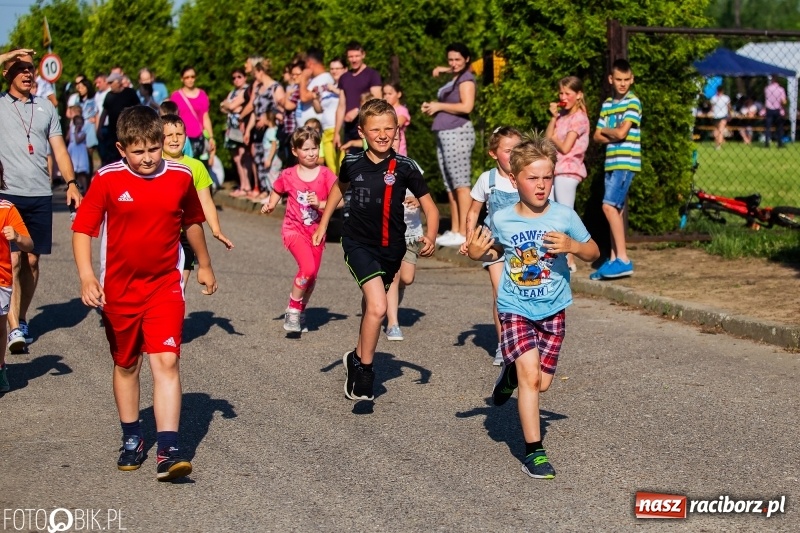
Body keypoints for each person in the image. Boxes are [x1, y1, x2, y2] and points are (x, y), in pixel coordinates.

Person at [72, 105, 218, 482]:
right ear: (122, 149)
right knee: (126, 364)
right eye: (138, 152)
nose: (148, 158)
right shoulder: (106, 179)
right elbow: (82, 229)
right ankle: (133, 436)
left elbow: (192, 221)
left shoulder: (181, 176)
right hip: (118, 292)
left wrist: (203, 263)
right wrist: (88, 276)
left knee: (166, 362)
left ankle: (169, 450)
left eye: (153, 148)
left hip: (164, 286)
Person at [466, 133, 600, 479]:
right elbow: (495, 251)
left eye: (547, 178)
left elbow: (593, 252)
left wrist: (572, 245)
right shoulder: (503, 218)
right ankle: (534, 452)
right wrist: (482, 254)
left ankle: (508, 374)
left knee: (541, 384)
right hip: (514, 306)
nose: (541, 186)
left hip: (553, 309)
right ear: (514, 179)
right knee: (530, 376)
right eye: (532, 178)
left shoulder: (565, 216)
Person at [312, 99, 439, 401]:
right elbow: (338, 190)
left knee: (373, 307)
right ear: (362, 131)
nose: (382, 135)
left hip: (392, 249)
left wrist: (431, 235)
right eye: (375, 129)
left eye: (388, 129)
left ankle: (355, 357)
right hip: (357, 243)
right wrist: (323, 224)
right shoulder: (352, 163)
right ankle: (365, 370)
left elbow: (431, 208)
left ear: (397, 130)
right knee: (379, 307)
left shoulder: (406, 168)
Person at [0, 50, 83, 354]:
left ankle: (20, 318)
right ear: (7, 73)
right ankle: (11, 328)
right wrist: (8, 55)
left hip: (39, 194)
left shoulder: (47, 109)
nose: (27, 73)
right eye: (19, 68)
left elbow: (60, 150)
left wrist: (72, 183)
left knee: (32, 262)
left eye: (31, 68)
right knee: (11, 259)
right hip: (6, 194)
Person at [261, 127, 339, 332]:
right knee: (307, 269)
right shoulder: (288, 174)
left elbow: (340, 200)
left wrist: (321, 204)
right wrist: (271, 204)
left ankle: (301, 311)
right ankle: (293, 311)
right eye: (306, 149)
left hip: (317, 232)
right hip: (293, 230)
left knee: (311, 278)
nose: (312, 153)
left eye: (315, 148)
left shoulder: (325, 174)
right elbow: (277, 189)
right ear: (295, 151)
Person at [459, 127, 522, 365]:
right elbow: (473, 212)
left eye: (518, 149)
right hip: (493, 244)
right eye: (508, 151)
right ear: (493, 154)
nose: (514, 155)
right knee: (501, 294)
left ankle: (523, 339)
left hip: (521, 245)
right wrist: (469, 239)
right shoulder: (488, 179)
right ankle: (504, 344)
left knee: (520, 292)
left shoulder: (525, 176)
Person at [161, 113, 234, 287]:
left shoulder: (196, 166)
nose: (174, 139)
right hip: (160, 235)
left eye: (179, 134)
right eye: (168, 135)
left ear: (186, 136)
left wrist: (216, 229)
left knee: (178, 288)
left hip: (186, 236)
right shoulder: (153, 164)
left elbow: (206, 201)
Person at [591, 59, 642, 280]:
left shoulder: (633, 102)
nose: (622, 84)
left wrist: (608, 131)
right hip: (611, 162)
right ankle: (613, 259)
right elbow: (596, 135)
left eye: (626, 80)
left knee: (608, 207)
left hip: (625, 163)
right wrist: (614, 131)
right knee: (616, 211)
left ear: (632, 79)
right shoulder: (608, 104)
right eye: (618, 80)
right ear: (611, 80)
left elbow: (621, 134)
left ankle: (623, 259)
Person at [422, 42, 476, 248]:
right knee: (450, 184)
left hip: (458, 133)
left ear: (467, 59)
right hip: (445, 133)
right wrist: (444, 69)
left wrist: (439, 105)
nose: (453, 63)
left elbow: (467, 105)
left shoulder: (467, 79)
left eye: (457, 60)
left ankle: (464, 231)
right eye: (450, 59)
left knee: (461, 184)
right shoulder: (456, 75)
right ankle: (455, 229)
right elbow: (453, 68)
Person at [545, 76, 590, 272]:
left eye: (567, 93)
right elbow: (547, 137)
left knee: (565, 214)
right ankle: (558, 256)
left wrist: (554, 136)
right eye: (561, 93)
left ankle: (570, 259)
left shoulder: (579, 118)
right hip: (557, 169)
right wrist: (554, 116)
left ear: (578, 95)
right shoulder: (563, 115)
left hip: (569, 170)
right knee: (554, 213)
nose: (563, 97)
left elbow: (565, 147)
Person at [0, 159, 33, 392]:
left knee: (0, 328)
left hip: (1, 279)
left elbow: (29, 244)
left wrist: (18, 238)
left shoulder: (7, 208)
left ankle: (1, 367)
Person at [334, 42, 382, 156]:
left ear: (363, 55)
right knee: (352, 165)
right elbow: (341, 106)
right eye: (350, 57)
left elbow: (378, 101)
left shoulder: (372, 75)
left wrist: (358, 110)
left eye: (357, 56)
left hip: (368, 125)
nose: (354, 60)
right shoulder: (344, 78)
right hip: (349, 129)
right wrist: (336, 133)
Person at [299, 49, 339, 171]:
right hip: (313, 130)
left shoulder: (324, 78)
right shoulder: (315, 80)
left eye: (306, 65)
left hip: (323, 129)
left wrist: (303, 79)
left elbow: (304, 97)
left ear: (310, 63)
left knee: (333, 165)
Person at [171, 66, 215, 161]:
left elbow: (205, 117)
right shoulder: (176, 97)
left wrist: (211, 137)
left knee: (203, 167)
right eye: (187, 77)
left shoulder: (202, 95)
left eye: (192, 76)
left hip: (200, 137)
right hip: (184, 138)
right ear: (182, 79)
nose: (190, 80)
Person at [97, 72, 140, 165]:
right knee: (113, 155)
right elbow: (104, 112)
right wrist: (99, 128)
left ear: (118, 82)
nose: (110, 85)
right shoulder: (109, 95)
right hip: (113, 131)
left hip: (129, 130)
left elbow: (138, 108)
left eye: (111, 82)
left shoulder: (130, 93)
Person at [220, 67, 251, 197]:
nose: (236, 80)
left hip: (241, 127)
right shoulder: (233, 92)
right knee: (237, 158)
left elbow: (232, 106)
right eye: (234, 78)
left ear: (245, 77)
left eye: (239, 77)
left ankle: (247, 185)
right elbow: (223, 107)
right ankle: (242, 184)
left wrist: (230, 106)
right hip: (231, 128)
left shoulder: (247, 90)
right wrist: (230, 106)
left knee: (244, 157)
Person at [66, 114, 91, 192]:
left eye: (80, 123)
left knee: (82, 172)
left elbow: (77, 140)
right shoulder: (71, 130)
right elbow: (67, 138)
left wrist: (76, 132)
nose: (78, 125)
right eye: (77, 123)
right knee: (73, 171)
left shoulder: (83, 133)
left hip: (80, 153)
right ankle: (74, 187)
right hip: (73, 151)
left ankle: (85, 188)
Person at [764, 75, 787, 148]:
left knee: (768, 127)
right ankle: (779, 142)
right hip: (778, 110)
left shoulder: (767, 89)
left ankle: (767, 142)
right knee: (779, 127)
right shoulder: (781, 89)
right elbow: (783, 101)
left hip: (769, 109)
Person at [709, 86, 731, 150]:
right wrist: (730, 114)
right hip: (723, 115)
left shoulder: (713, 98)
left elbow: (712, 108)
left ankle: (717, 143)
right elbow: (729, 107)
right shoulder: (726, 98)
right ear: (723, 90)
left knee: (716, 129)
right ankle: (719, 145)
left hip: (715, 115)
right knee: (721, 130)